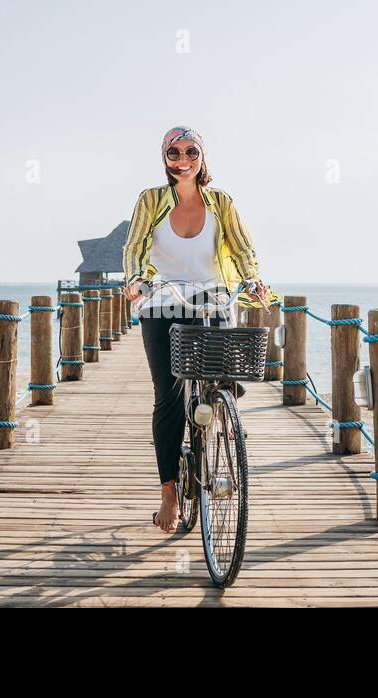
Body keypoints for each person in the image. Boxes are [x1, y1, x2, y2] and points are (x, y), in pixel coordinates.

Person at [121, 126, 280, 533]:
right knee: (169, 398)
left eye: (190, 151)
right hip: (162, 303)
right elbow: (135, 246)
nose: (182, 159)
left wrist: (252, 279)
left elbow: (242, 246)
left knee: (226, 375)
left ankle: (219, 411)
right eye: (173, 152)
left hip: (213, 298)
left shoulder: (220, 201)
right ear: (165, 159)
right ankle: (169, 494)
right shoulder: (151, 200)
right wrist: (136, 279)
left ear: (202, 156)